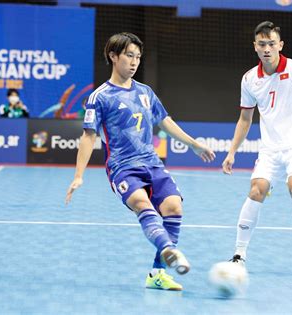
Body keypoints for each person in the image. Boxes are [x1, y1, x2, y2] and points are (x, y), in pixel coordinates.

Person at [65, 32, 216, 291]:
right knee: (141, 204)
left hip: (152, 163)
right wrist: (79, 175)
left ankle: (157, 274)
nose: (134, 62)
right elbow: (88, 136)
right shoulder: (100, 97)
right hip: (123, 167)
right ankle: (169, 249)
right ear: (114, 56)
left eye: (138, 57)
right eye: (129, 56)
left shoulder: (145, 92)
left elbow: (164, 121)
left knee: (173, 207)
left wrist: (193, 143)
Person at [222, 21, 292, 276]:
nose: (267, 48)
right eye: (262, 44)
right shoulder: (249, 79)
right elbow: (245, 120)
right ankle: (239, 254)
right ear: (255, 47)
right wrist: (232, 151)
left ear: (280, 45)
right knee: (256, 190)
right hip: (269, 148)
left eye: (271, 44)